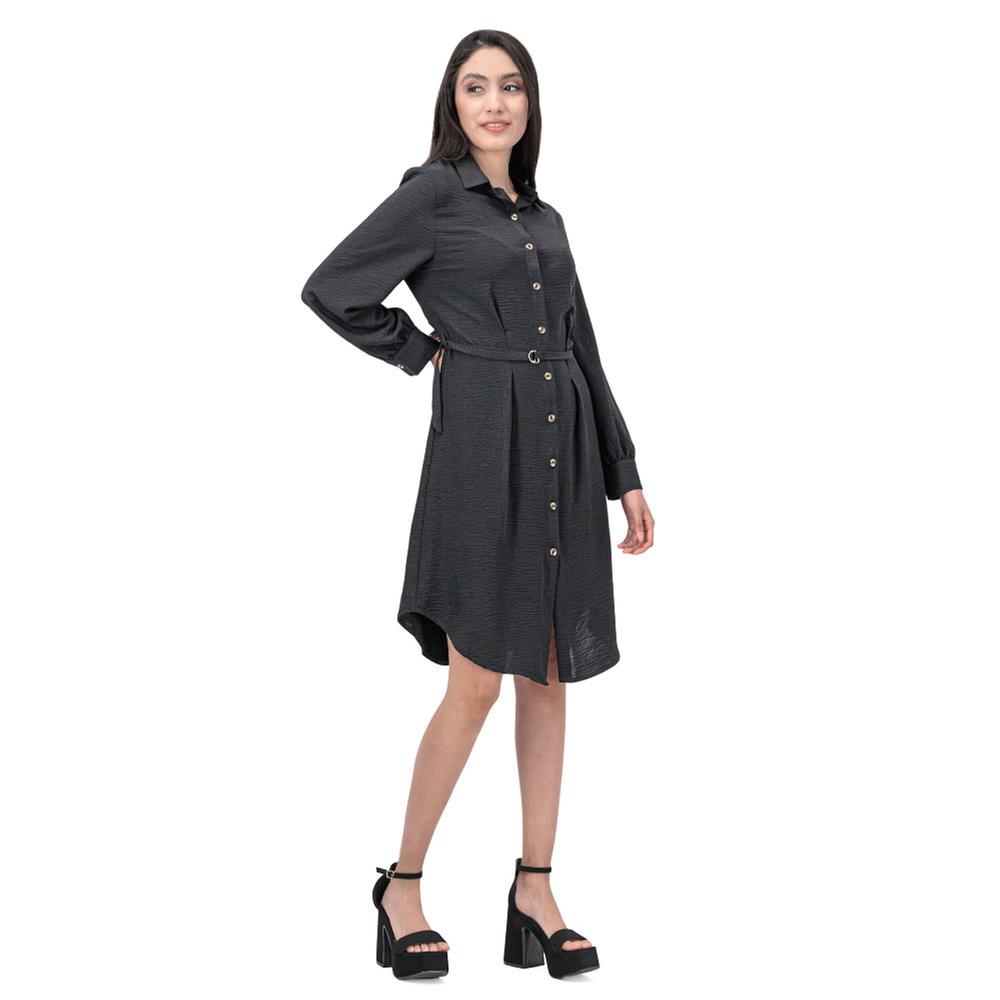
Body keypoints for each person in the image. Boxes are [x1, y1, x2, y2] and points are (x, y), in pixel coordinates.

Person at [300, 29, 654, 980]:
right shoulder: (429, 195)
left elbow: (580, 341)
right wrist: (423, 352)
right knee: (476, 681)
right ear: (452, 103)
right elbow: (332, 289)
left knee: (550, 674)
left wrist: (623, 469)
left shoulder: (545, 216)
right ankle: (403, 885)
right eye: (475, 87)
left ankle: (536, 890)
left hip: (563, 452)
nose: (495, 102)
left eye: (511, 86)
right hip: (480, 455)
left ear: (530, 103)